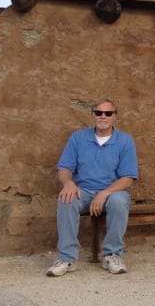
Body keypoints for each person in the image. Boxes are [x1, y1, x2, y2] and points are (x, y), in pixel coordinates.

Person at [46, 99, 139, 276]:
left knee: (119, 201)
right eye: (98, 113)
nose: (103, 116)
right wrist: (68, 183)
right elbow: (64, 167)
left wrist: (104, 193)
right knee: (66, 198)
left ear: (114, 117)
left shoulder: (125, 141)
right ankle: (67, 258)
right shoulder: (78, 138)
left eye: (108, 113)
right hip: (84, 191)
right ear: (93, 115)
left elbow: (128, 178)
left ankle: (112, 255)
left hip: (112, 192)